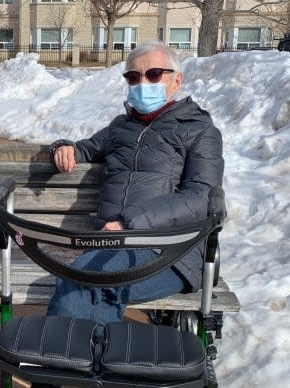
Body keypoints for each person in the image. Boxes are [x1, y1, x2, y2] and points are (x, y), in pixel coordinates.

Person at [45, 40, 224, 326]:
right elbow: (87, 148)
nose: (143, 83)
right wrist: (63, 147)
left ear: (176, 80)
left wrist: (130, 222)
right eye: (133, 77)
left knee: (86, 281)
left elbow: (201, 196)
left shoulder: (199, 130)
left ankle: (62, 357)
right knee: (88, 282)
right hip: (112, 246)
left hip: (170, 252)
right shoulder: (121, 127)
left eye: (153, 74)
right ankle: (89, 363)